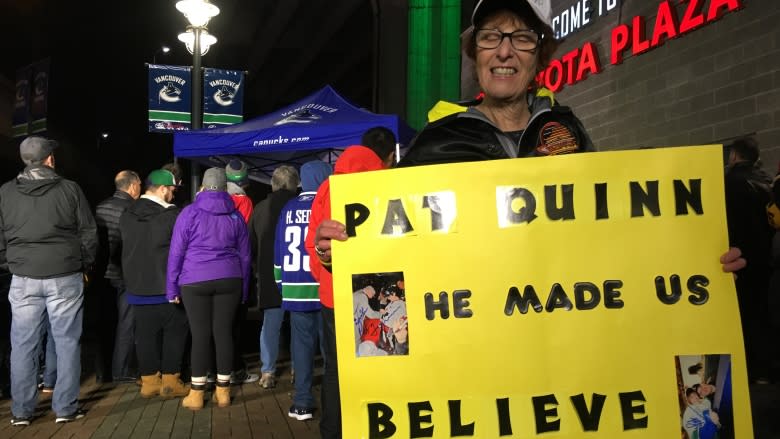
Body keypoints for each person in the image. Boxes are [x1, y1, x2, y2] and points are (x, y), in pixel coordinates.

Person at [305, 127, 397, 438]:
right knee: (383, 362)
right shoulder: (389, 184)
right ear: (389, 156)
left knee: (335, 371)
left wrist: (326, 280)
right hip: (382, 295)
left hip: (336, 299)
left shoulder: (327, 189)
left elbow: (314, 247)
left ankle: (334, 431)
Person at [0, 136, 97, 425]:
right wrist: (84, 265)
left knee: (23, 344)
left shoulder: (6, 192)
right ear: (50, 160)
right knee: (67, 342)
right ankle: (65, 408)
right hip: (64, 275)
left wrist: (12, 264)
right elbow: (88, 233)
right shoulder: (70, 189)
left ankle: (21, 412)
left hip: (23, 276)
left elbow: (1, 238)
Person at [167, 168, 251, 410]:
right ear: (226, 188)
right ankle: (223, 392)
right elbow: (245, 257)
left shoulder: (189, 213)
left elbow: (176, 252)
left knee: (200, 335)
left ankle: (196, 394)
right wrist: (244, 290)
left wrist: (172, 287)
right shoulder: (235, 216)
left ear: (202, 187)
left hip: (195, 280)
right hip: (230, 279)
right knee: (223, 333)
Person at [119, 169, 189, 400]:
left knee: (145, 335)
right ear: (161, 189)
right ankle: (171, 382)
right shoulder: (173, 215)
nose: (173, 195)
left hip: (137, 287)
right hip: (166, 286)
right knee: (175, 333)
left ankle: (149, 382)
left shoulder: (127, 214)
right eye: (171, 190)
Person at [274, 160, 332, 420]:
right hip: (323, 286)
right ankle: (335, 402)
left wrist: (281, 284)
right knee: (329, 349)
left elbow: (278, 251)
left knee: (302, 347)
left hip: (295, 289)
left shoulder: (287, 208)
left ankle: (302, 402)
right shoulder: (326, 206)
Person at [723, 137, 774, 384]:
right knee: (762, 313)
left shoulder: (728, 182)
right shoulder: (767, 182)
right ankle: (765, 370)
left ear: (733, 156)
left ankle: (749, 371)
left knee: (742, 317)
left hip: (736, 259)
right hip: (766, 259)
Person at [249, 165, 300, 389]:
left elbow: (250, 244)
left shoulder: (260, 208)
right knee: (300, 324)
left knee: (271, 324)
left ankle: (267, 371)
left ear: (273, 184)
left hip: (269, 274)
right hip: (298, 273)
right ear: (295, 184)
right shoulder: (299, 206)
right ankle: (299, 367)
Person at [95, 170, 142, 384]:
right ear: (132, 186)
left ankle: (102, 372)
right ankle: (122, 371)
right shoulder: (133, 210)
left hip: (102, 274)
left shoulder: (101, 206)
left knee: (105, 323)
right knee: (126, 323)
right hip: (124, 274)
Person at [223, 159, 258, 385]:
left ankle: (215, 370)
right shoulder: (244, 202)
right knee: (234, 323)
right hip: (236, 269)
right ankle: (234, 369)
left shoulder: (214, 199)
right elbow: (245, 238)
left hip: (212, 268)